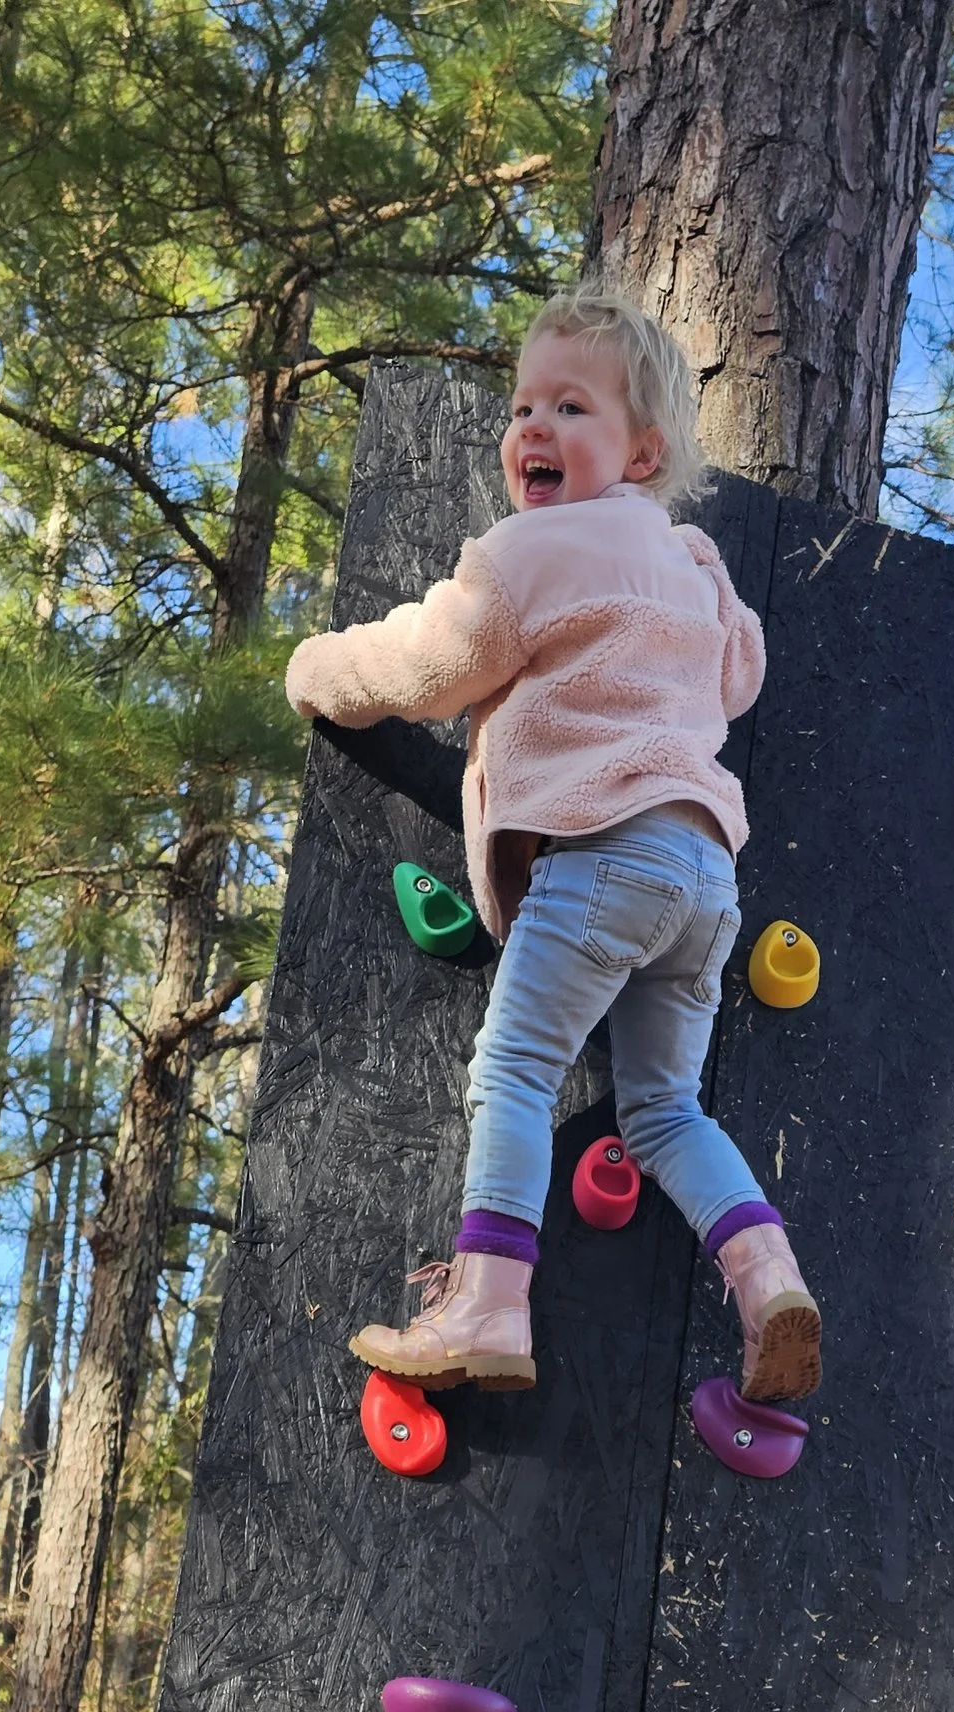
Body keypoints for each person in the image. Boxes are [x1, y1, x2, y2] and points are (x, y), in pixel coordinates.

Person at [285, 281, 821, 1407]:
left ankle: (487, 1301)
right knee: (667, 1110)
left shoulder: (530, 553)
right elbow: (742, 673)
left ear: (639, 453)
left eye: (570, 409)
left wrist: (318, 673)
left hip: (603, 854)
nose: (532, 427)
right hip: (704, 878)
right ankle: (767, 1273)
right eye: (523, 407)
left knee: (515, 1068)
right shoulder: (692, 568)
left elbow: (429, 664)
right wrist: (703, 587)